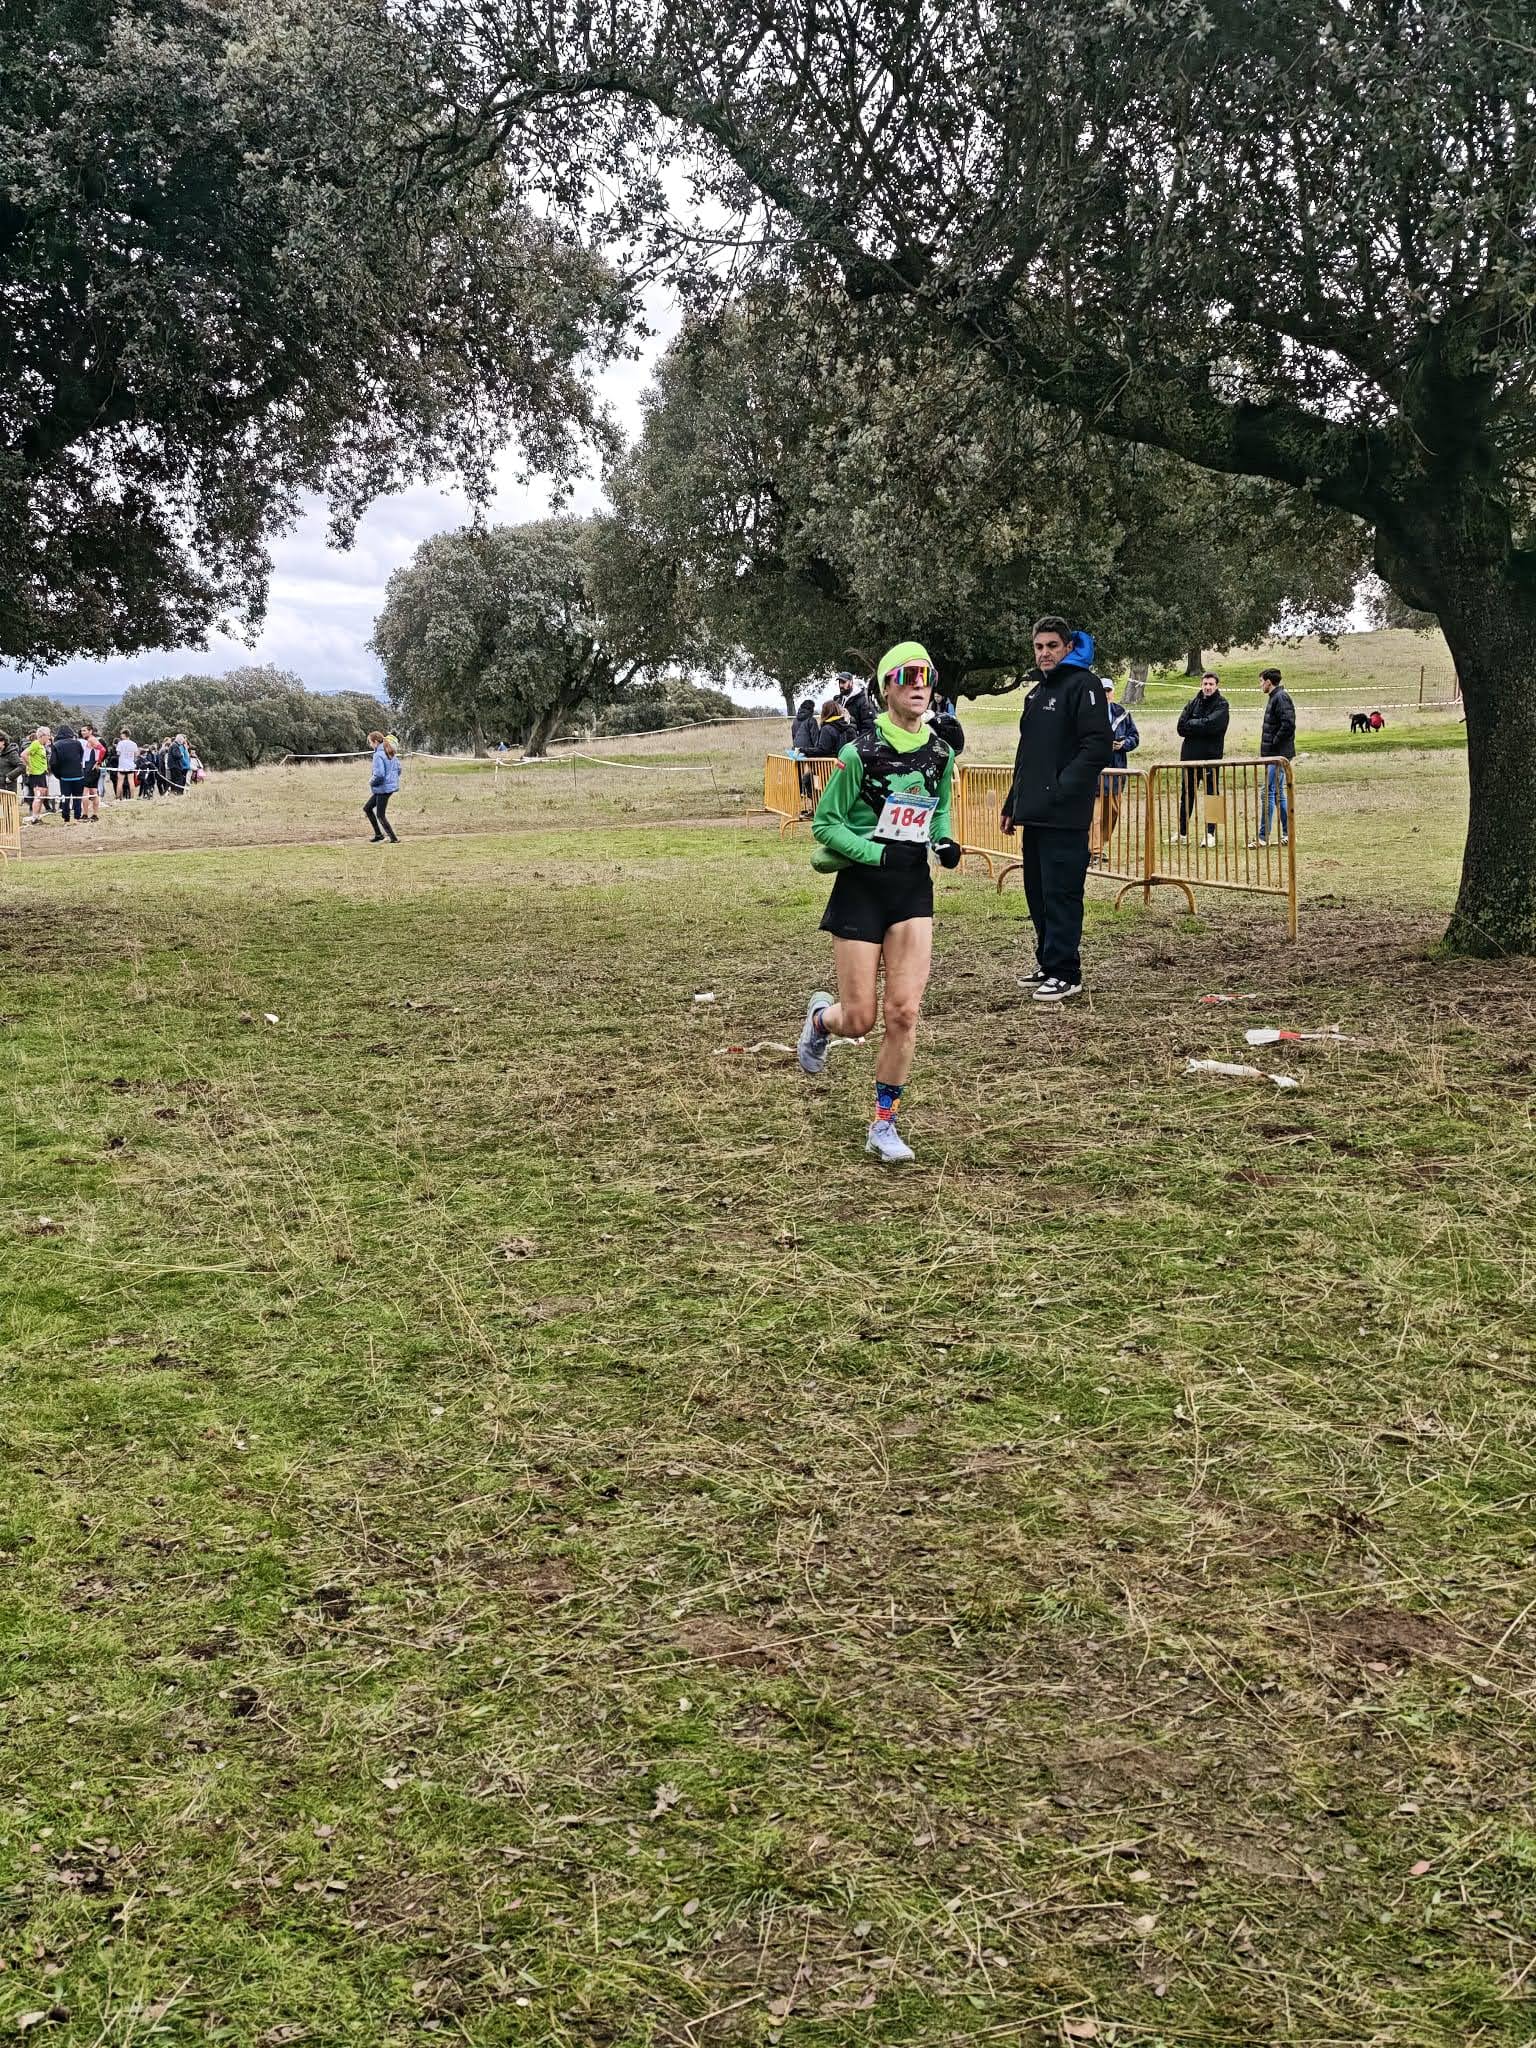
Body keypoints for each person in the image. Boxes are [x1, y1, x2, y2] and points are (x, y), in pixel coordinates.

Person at [796, 640, 962, 1164]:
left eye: (926, 675)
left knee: (904, 1014)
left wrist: (943, 841)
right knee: (861, 1018)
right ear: (886, 687)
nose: (918, 683)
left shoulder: (942, 753)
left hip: (911, 889)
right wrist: (875, 853)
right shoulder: (857, 752)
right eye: (906, 675)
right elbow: (824, 823)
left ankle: (884, 1123)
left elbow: (938, 813)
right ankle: (823, 1019)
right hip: (863, 889)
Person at [1000, 615, 1113, 1003]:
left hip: (1065, 815)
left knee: (1062, 892)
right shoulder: (1036, 694)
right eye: (1038, 647)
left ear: (1067, 647)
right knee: (1038, 892)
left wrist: (1063, 788)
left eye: (1051, 646)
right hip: (1034, 814)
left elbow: (1097, 745)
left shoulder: (1085, 685)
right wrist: (1011, 801)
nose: (1044, 653)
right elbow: (1027, 754)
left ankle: (1067, 971)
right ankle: (1048, 962)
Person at [1176, 670, 1230, 845]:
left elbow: (1213, 725)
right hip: (1190, 758)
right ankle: (1182, 833)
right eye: (1205, 684)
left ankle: (1211, 834)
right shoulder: (1192, 703)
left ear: (1216, 685)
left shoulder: (1222, 705)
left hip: (1210, 758)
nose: (1207, 687)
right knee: (1186, 795)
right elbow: (1181, 727)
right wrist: (1200, 724)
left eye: (1211, 684)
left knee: (1212, 795)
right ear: (1201, 684)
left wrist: (1194, 723)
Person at [1092, 677, 1139, 862]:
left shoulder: (1123, 714)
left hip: (1117, 771)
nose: (1105, 694)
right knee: (1094, 815)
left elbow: (1134, 737)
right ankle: (1094, 851)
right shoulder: (1088, 713)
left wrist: (1124, 744)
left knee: (1112, 813)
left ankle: (1099, 845)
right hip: (1095, 771)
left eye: (1107, 690)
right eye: (1101, 691)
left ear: (1112, 692)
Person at [1253, 666, 1296, 845]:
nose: (1260, 685)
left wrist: (1274, 744)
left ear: (1269, 682)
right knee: (1278, 794)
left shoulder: (1280, 697)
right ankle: (1287, 833)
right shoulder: (1275, 697)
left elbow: (1288, 724)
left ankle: (1263, 837)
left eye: (1261, 681)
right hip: (1274, 754)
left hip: (1278, 754)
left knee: (1267, 793)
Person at [364, 730, 401, 841]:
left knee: (380, 814)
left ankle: (393, 838)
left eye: (370, 742)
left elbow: (379, 774)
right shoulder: (390, 751)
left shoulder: (378, 755)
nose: (370, 745)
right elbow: (399, 769)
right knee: (368, 808)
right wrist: (391, 780)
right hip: (387, 788)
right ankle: (379, 835)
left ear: (375, 742)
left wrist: (371, 782)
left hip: (383, 788)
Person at [49, 724, 86, 823]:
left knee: (65, 797)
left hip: (65, 777)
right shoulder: (77, 743)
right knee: (77, 797)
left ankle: (66, 817)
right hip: (78, 775)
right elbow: (81, 756)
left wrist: (58, 775)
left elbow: (53, 763)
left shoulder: (56, 745)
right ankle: (77, 816)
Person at [833, 669, 877, 735]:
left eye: (843, 682)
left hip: (856, 741)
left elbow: (868, 725)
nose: (840, 685)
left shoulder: (863, 701)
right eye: (839, 682)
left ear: (851, 682)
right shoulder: (839, 700)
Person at [23, 728, 51, 822]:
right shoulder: (35, 744)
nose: (49, 737)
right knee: (38, 796)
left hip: (42, 773)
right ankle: (34, 818)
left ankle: (38, 816)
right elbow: (24, 754)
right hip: (36, 774)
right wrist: (30, 766)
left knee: (42, 795)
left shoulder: (42, 746)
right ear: (42, 736)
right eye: (48, 735)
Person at [78, 725, 103, 821]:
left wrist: (98, 762)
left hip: (90, 767)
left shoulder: (92, 739)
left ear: (90, 731)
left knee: (85, 792)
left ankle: (85, 814)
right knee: (93, 791)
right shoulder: (89, 740)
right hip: (89, 767)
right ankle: (95, 815)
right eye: (81, 731)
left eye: (84, 730)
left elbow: (103, 750)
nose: (82, 732)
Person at [114, 729, 139, 799]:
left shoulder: (120, 743)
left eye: (121, 734)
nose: (120, 736)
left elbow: (118, 753)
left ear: (124, 735)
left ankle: (118, 797)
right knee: (131, 781)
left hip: (122, 765)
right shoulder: (134, 744)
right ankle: (132, 797)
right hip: (130, 765)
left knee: (120, 782)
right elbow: (136, 754)